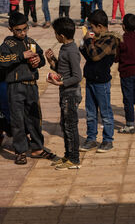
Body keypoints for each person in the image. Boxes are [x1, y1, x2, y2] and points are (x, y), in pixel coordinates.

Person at [0, 11, 55, 165]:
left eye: (25, 29)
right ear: (11, 29)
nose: (22, 33)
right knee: (17, 120)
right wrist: (21, 56)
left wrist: (38, 61)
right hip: (15, 87)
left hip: (31, 86)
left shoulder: (32, 42)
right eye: (18, 30)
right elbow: (1, 61)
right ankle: (20, 151)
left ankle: (37, 148)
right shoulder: (7, 45)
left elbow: (40, 58)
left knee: (35, 118)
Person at [78, 10, 121, 153]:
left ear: (100, 26)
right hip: (90, 80)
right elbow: (89, 55)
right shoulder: (97, 38)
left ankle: (108, 140)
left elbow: (95, 56)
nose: (91, 30)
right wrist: (83, 45)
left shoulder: (110, 40)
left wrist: (89, 40)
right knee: (90, 112)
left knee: (105, 111)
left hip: (101, 82)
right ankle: (91, 138)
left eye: (92, 27)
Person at [44, 17, 83, 170]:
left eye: (55, 33)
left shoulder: (72, 51)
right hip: (65, 93)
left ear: (61, 35)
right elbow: (63, 70)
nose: (55, 36)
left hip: (71, 94)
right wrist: (52, 61)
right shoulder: (65, 48)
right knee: (65, 124)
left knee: (70, 126)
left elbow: (77, 76)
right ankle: (68, 155)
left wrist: (61, 83)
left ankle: (74, 159)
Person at [117, 14, 135, 133]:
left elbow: (116, 57)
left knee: (128, 99)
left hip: (126, 74)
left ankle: (130, 124)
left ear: (123, 26)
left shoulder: (121, 41)